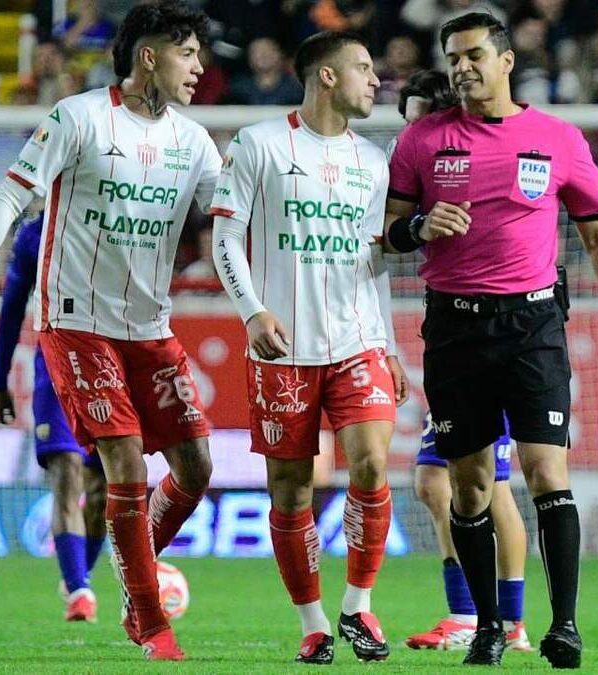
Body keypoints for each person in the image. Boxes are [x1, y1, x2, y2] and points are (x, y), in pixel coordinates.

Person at [0, 2, 221, 662]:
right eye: (188, 53)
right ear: (149, 56)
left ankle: (132, 571)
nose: (200, 67)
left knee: (197, 467)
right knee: (120, 463)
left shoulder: (194, 141)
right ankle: (149, 620)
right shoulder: (78, 118)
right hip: (76, 325)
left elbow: (233, 212)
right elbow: (9, 197)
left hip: (149, 328)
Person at [383, 12, 598, 668]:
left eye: (475, 53)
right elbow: (390, 230)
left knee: (545, 469)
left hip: (533, 323)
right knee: (470, 486)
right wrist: (419, 225)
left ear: (506, 60)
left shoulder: (557, 138)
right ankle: (487, 627)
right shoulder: (423, 140)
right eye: (454, 56)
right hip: (454, 326)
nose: (462, 66)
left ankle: (564, 624)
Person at [211, 30, 407, 665]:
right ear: (326, 76)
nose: (375, 80)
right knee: (291, 490)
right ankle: (314, 622)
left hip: (357, 340)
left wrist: (393, 346)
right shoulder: (259, 144)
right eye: (364, 67)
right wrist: (251, 312)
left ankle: (358, 606)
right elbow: (224, 240)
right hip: (282, 348)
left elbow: (373, 263)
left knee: (372, 463)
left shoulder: (374, 162)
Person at [389, 70, 533, 654]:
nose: (414, 132)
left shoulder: (471, 166)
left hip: (498, 338)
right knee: (432, 481)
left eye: (423, 118)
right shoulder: (415, 168)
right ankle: (467, 612)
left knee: (494, 488)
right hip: (450, 343)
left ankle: (509, 621)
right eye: (408, 120)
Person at [0, 213, 108, 623]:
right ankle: (79, 592)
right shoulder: (34, 234)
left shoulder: (115, 218)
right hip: (55, 365)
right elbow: (11, 307)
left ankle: (80, 574)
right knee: (67, 474)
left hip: (110, 364)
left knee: (103, 491)